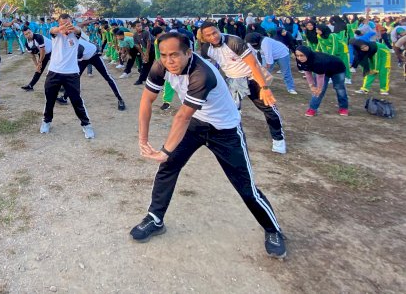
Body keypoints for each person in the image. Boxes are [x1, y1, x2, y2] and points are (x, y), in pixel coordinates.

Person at [130, 32, 286, 259]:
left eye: (174, 55)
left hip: (225, 131)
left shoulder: (201, 74)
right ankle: (155, 218)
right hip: (197, 124)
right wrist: (143, 140)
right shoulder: (161, 65)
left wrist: (165, 151)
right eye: (164, 55)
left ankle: (273, 230)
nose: (169, 60)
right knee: (168, 168)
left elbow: (181, 117)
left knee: (245, 186)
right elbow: (146, 100)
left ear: (188, 52)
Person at [198, 22, 286, 154]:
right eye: (208, 35)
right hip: (233, 81)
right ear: (204, 37)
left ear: (218, 30)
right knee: (231, 112)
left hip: (252, 78)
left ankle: (278, 139)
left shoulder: (234, 41)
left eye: (214, 32)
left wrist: (264, 87)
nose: (213, 36)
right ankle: (232, 141)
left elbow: (254, 65)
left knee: (269, 109)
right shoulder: (206, 49)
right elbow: (211, 65)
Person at [40, 13, 95, 139]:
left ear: (72, 23)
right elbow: (52, 30)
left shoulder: (75, 34)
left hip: (71, 73)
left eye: (68, 23)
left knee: (76, 100)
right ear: (59, 23)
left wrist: (71, 27)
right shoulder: (55, 33)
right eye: (62, 23)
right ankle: (46, 121)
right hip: (54, 71)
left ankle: (86, 124)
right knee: (50, 98)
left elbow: (78, 30)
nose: (65, 26)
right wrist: (60, 28)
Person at [56, 35, 127, 111]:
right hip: (84, 57)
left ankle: (120, 99)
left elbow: (78, 52)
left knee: (107, 77)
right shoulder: (64, 44)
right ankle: (64, 98)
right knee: (74, 78)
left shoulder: (71, 42)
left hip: (94, 56)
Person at [293, 46, 349, 117]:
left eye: (302, 55)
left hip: (337, 68)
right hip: (323, 69)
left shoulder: (318, 61)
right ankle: (312, 108)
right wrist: (311, 85)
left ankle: (344, 108)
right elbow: (307, 71)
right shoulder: (300, 60)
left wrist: (319, 88)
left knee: (339, 88)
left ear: (307, 54)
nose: (299, 58)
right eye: (297, 55)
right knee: (317, 90)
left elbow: (320, 77)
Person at [133, 20, 155, 86]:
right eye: (138, 26)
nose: (140, 27)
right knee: (146, 65)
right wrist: (143, 54)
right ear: (134, 27)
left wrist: (147, 54)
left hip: (154, 49)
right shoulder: (135, 35)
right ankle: (141, 79)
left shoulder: (146, 32)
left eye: (140, 25)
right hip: (146, 50)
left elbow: (149, 43)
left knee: (151, 65)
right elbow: (138, 45)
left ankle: (143, 80)